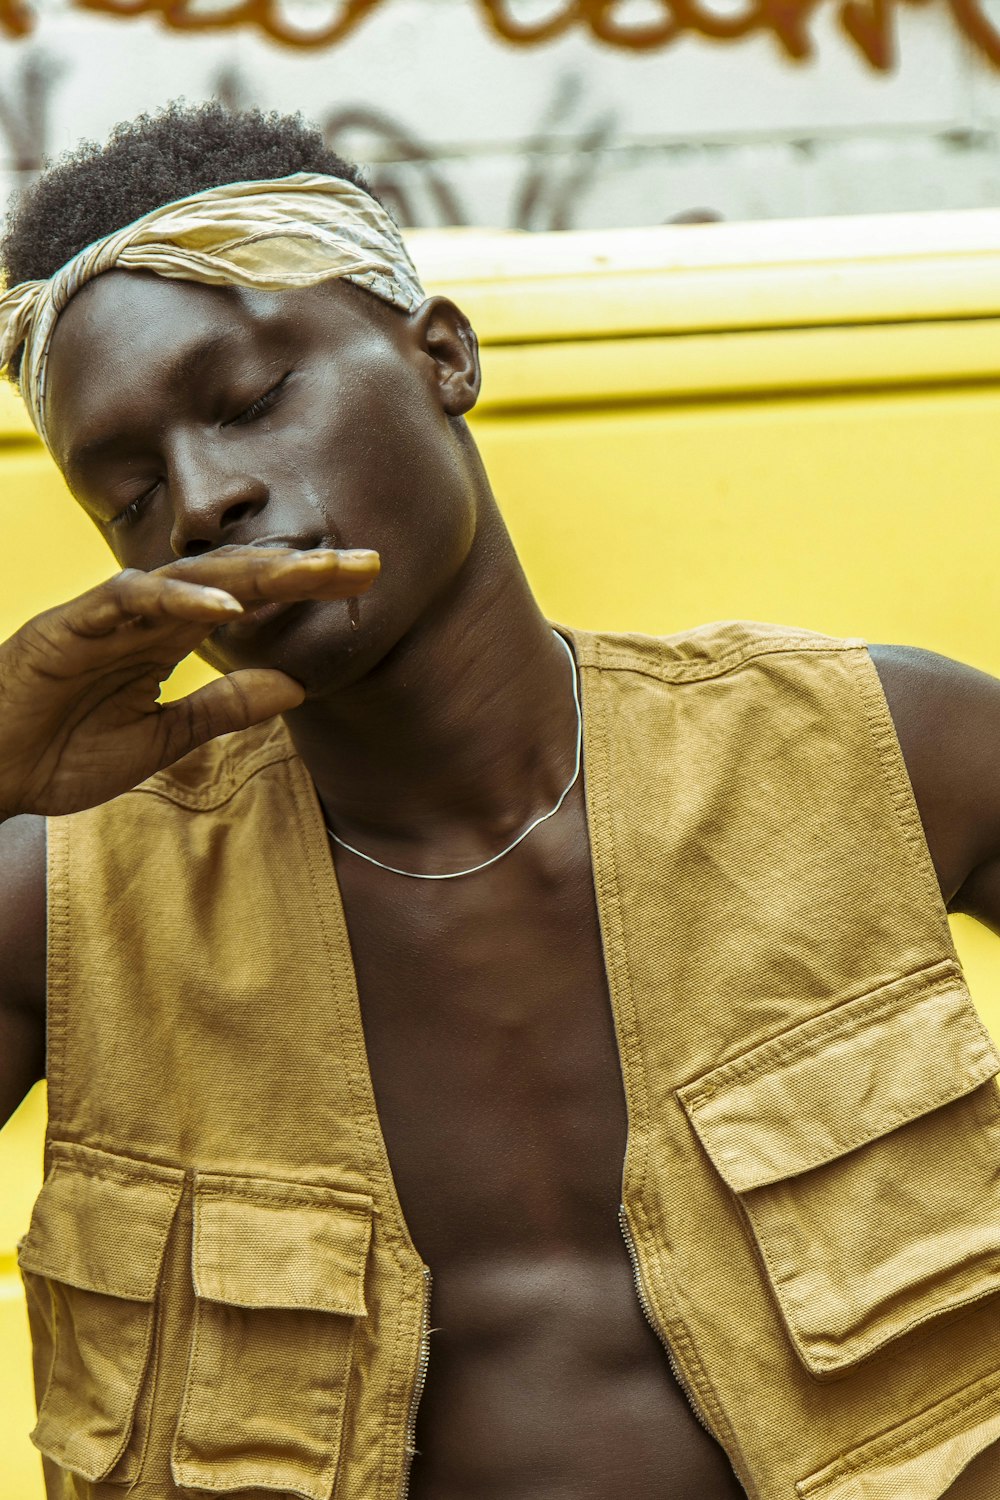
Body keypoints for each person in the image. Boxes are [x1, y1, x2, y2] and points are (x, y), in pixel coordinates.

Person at [0, 102, 997, 1500]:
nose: (204, 500)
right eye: (127, 490)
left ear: (440, 354)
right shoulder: (68, 902)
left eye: (250, 400)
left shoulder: (879, 747)